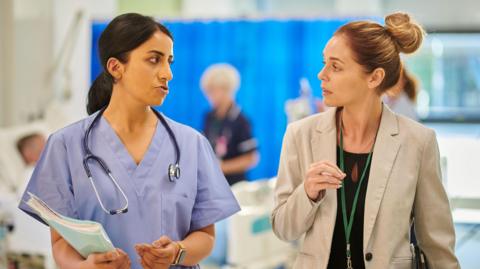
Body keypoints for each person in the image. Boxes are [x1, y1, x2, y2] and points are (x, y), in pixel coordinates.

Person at [18, 13, 240, 269]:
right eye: (154, 60)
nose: (167, 73)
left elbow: (206, 236)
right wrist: (84, 267)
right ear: (115, 67)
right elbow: (60, 242)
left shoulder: (191, 144)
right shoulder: (65, 146)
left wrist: (177, 252)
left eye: (169, 62)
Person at [271, 12, 459, 269]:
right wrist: (307, 193)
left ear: (374, 77)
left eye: (335, 66)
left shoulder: (418, 142)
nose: (321, 75)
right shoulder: (300, 135)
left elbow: (437, 246)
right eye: (324, 63)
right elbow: (282, 228)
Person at [200, 63, 258, 186]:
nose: (209, 96)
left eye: (212, 91)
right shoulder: (209, 117)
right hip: (212, 185)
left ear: (227, 90)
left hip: (235, 186)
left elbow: (251, 158)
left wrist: (221, 167)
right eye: (207, 92)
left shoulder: (241, 120)